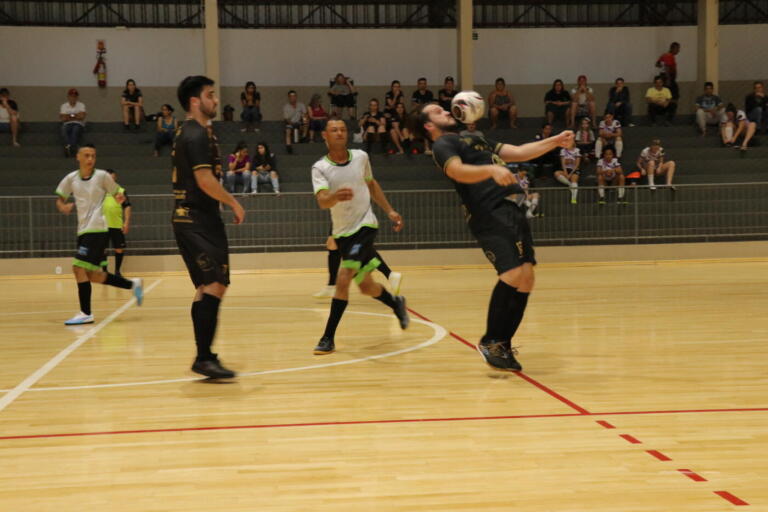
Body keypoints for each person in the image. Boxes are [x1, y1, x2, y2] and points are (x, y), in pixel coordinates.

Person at [415, 102, 574, 371]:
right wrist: (491, 170)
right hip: (487, 211)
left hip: (511, 209)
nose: (445, 110)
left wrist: (555, 141)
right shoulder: (442, 145)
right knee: (512, 273)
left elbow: (519, 152)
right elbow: (457, 171)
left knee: (526, 278)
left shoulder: (475, 138)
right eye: (437, 112)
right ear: (429, 126)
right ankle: (490, 341)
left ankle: (502, 343)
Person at [310, 119, 409, 355]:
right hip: (343, 232)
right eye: (334, 130)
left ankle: (327, 338)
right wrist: (335, 197)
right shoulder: (320, 168)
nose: (339, 133)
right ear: (325, 135)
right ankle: (396, 303)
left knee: (343, 278)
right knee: (366, 287)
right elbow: (322, 201)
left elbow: (371, 185)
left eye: (343, 129)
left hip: (366, 225)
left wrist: (390, 210)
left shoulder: (361, 157)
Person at [172, 75, 245, 379]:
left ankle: (204, 355)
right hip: (197, 219)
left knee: (206, 287)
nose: (215, 100)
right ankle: (203, 357)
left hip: (191, 219)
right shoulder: (196, 134)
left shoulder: (189, 132)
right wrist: (233, 202)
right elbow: (204, 180)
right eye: (210, 95)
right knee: (215, 284)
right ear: (195, 101)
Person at [55, 144, 143, 325]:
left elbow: (119, 192)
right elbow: (60, 198)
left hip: (98, 229)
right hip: (83, 231)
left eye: (93, 156)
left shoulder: (102, 176)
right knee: (92, 275)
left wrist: (120, 197)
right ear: (77, 158)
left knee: (78, 268)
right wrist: (62, 206)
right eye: (86, 156)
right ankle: (133, 285)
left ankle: (86, 312)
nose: (90, 159)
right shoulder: (71, 179)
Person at [101, 169, 132, 276]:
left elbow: (127, 207)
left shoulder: (120, 191)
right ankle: (104, 271)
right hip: (102, 226)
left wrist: (126, 222)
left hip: (117, 225)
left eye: (113, 178)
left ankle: (117, 271)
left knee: (119, 248)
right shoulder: (100, 191)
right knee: (102, 249)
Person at [60, 88, 86, 157]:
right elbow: (63, 118)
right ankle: (70, 146)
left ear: (77, 97)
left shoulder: (81, 105)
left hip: (78, 124)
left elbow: (82, 116)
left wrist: (69, 116)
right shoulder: (64, 106)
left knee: (75, 130)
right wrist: (75, 115)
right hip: (67, 124)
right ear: (68, 97)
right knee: (63, 129)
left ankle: (71, 147)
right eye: (71, 96)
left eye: (75, 96)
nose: (73, 98)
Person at [554, 139, 581, 204]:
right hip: (566, 169)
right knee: (556, 173)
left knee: (574, 180)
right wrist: (565, 172)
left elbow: (577, 164)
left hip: (574, 170)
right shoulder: (563, 150)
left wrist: (571, 173)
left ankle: (573, 198)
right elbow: (563, 163)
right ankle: (570, 184)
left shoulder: (577, 150)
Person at [656, 42, 681, 114]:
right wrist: (668, 79)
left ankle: (666, 111)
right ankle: (668, 116)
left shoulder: (664, 55)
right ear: (673, 48)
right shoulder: (669, 56)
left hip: (667, 78)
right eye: (678, 48)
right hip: (669, 79)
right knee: (674, 98)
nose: (678, 50)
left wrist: (662, 66)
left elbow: (657, 64)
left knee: (669, 97)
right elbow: (667, 67)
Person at [283, 90, 308, 154]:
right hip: (290, 122)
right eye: (291, 97)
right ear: (289, 98)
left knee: (306, 122)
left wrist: (304, 119)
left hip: (299, 122)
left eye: (294, 96)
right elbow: (286, 119)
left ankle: (303, 137)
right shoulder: (286, 107)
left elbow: (305, 114)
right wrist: (292, 123)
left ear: (296, 97)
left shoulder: (301, 105)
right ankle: (288, 146)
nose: (293, 98)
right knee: (288, 131)